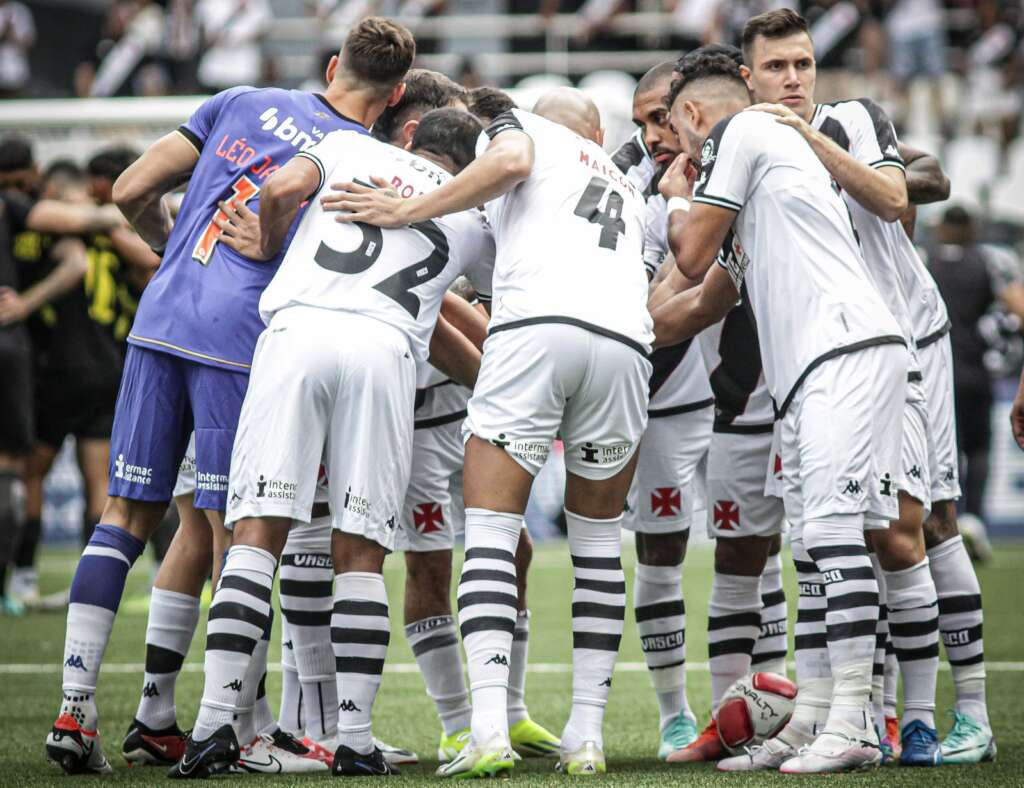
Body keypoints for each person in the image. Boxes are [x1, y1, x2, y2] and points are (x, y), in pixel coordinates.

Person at [44, 17, 416, 777]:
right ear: (398, 93)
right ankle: (242, 728)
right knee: (233, 533)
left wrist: (167, 246)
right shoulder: (361, 158)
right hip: (243, 340)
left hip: (162, 316)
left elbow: (129, 189)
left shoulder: (239, 99)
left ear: (334, 62)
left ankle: (81, 711)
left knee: (126, 514)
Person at [329, 87, 653, 777]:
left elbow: (508, 158)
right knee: (597, 546)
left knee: (492, 533)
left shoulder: (519, 130)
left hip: (536, 331)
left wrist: (408, 207)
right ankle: (586, 736)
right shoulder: (622, 176)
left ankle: (485, 732)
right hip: (626, 342)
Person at [179, 106, 491, 778]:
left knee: (257, 533)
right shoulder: (470, 213)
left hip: (298, 334)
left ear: (409, 135)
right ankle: (353, 738)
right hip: (384, 351)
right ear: (469, 166)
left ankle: (212, 726)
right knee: (361, 551)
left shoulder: (348, 145)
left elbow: (280, 190)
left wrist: (267, 243)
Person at [652, 50, 908, 773]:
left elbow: (692, 255)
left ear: (696, 115)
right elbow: (706, 302)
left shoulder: (739, 137)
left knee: (831, 534)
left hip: (843, 353)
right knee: (811, 543)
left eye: (677, 134)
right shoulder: (768, 163)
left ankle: (855, 721)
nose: (680, 152)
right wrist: (620, 336)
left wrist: (678, 197)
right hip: (820, 368)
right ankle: (813, 720)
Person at [734, 7, 951, 767]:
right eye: (777, 67)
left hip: (895, 345)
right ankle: (827, 715)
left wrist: (805, 137)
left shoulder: (851, 118)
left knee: (909, 532)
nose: (793, 79)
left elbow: (899, 198)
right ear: (748, 75)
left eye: (803, 64)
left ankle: (921, 718)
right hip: (812, 367)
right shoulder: (749, 144)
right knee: (817, 540)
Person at [644, 47, 790, 766]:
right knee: (743, 558)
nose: (657, 139)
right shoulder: (673, 176)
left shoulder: (793, 145)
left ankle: (871, 715)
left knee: (843, 550)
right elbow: (685, 296)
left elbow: (691, 259)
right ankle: (739, 723)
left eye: (664, 122)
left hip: (812, 385)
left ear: (689, 116)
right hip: (736, 402)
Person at [611, 59, 715, 761]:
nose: (652, 134)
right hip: (637, 391)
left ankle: (753, 703)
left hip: (718, 392)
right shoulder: (631, 186)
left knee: (754, 549)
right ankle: (676, 714)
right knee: (655, 552)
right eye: (641, 121)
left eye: (661, 117)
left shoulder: (731, 166)